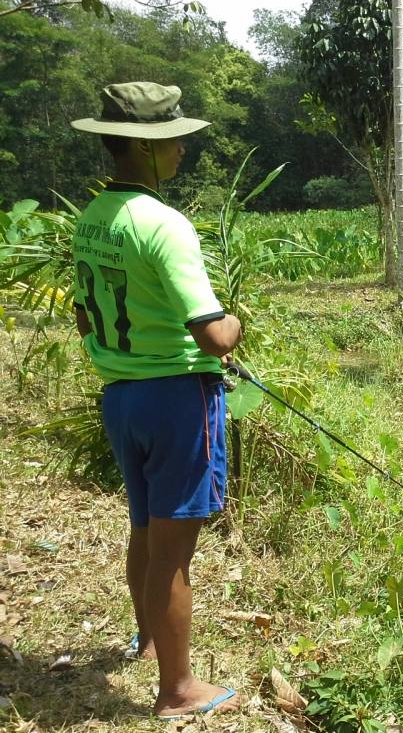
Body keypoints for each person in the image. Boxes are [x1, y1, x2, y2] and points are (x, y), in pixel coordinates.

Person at [70, 82, 243, 720]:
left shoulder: (92, 219)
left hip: (122, 398)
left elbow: (87, 318)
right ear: (147, 148)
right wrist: (237, 328)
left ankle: (149, 640)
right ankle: (178, 689)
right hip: (176, 399)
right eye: (174, 141)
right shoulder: (165, 225)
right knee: (174, 548)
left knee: (145, 528)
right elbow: (211, 331)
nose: (181, 152)